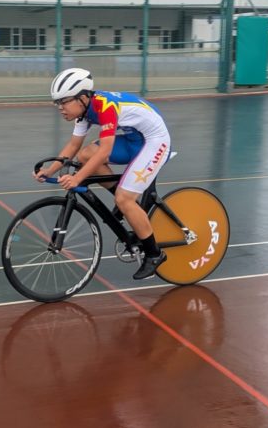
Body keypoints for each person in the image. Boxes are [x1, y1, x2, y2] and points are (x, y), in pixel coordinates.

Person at [34, 68, 171, 280]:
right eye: (57, 103)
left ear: (82, 97)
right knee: (86, 155)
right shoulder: (83, 112)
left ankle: (154, 254)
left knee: (124, 198)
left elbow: (105, 151)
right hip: (134, 139)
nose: (60, 108)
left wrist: (77, 178)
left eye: (64, 101)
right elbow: (74, 146)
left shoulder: (105, 106)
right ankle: (128, 204)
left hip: (155, 141)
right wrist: (49, 170)